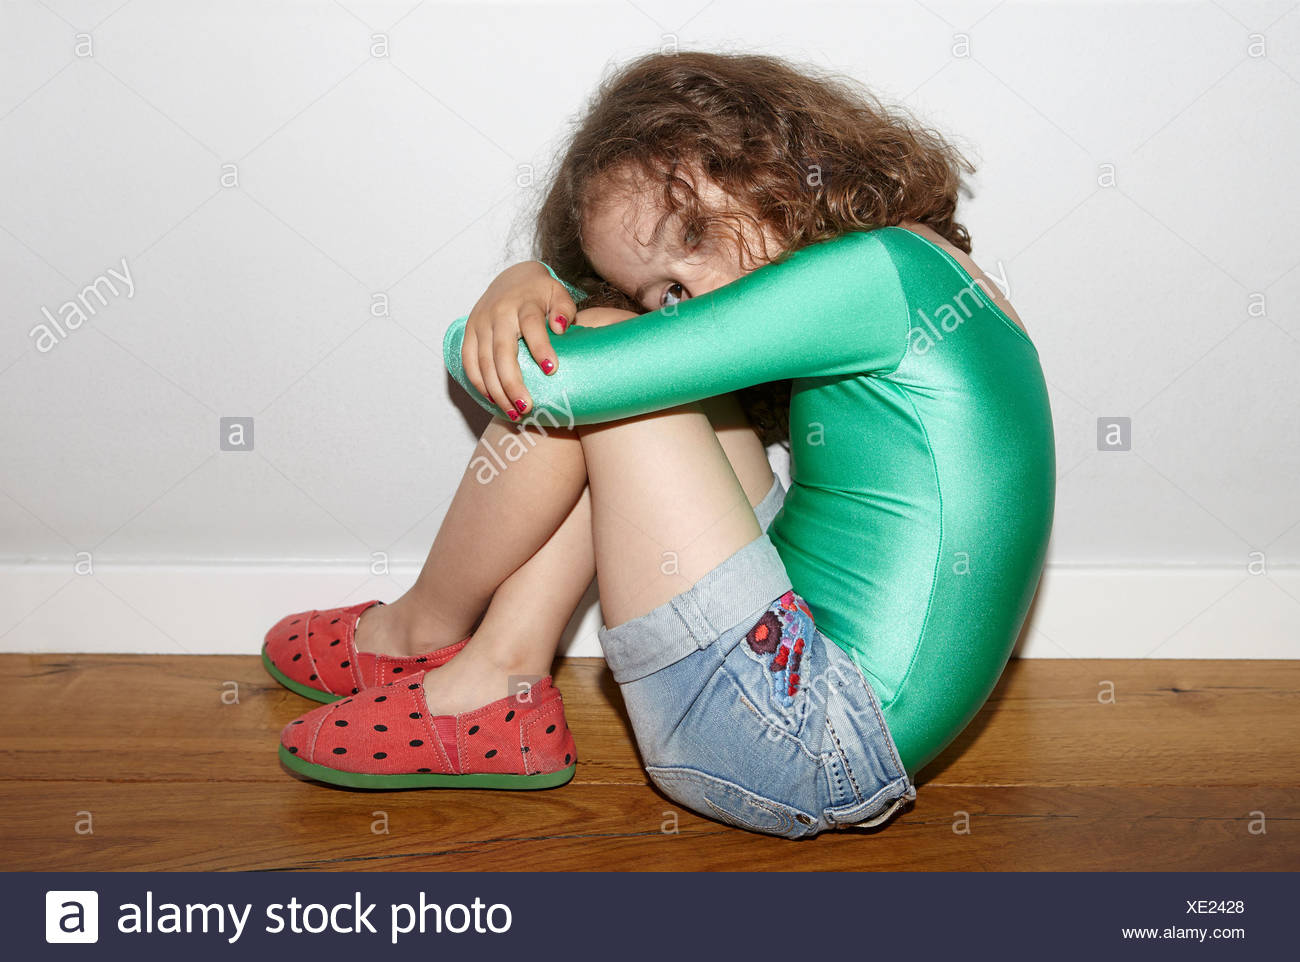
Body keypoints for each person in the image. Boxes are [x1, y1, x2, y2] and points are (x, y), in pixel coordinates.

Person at [267, 50, 1054, 839]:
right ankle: (495, 679)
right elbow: (640, 359)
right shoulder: (906, 267)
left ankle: (421, 634)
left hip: (806, 740)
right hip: (796, 668)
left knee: (611, 358)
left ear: (785, 164)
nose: (695, 296)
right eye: (670, 292)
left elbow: (542, 382)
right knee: (636, 364)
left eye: (696, 234)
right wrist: (550, 287)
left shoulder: (867, 280)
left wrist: (512, 294)